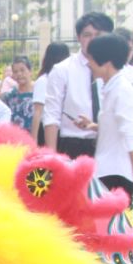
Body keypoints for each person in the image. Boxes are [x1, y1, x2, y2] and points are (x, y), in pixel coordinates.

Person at [83, 33, 133, 202]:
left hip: (116, 173)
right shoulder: (111, 88)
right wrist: (93, 126)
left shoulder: (122, 91)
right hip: (106, 169)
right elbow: (115, 127)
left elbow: (131, 134)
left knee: (113, 226)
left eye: (92, 59)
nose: (89, 64)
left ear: (106, 63)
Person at [43, 12, 115, 158]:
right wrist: (52, 157)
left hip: (110, 144)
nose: (93, 40)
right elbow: (51, 115)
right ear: (78, 38)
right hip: (74, 145)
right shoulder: (62, 69)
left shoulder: (117, 71)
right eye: (87, 35)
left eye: (98, 34)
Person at [32, 42, 70, 145]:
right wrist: (34, 138)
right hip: (47, 129)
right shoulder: (44, 80)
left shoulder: (66, 79)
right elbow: (38, 111)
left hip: (62, 129)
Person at [2, 55, 35, 132]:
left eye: (22, 70)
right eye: (15, 72)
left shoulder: (38, 93)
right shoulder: (10, 95)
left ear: (30, 71)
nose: (19, 74)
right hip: (15, 138)